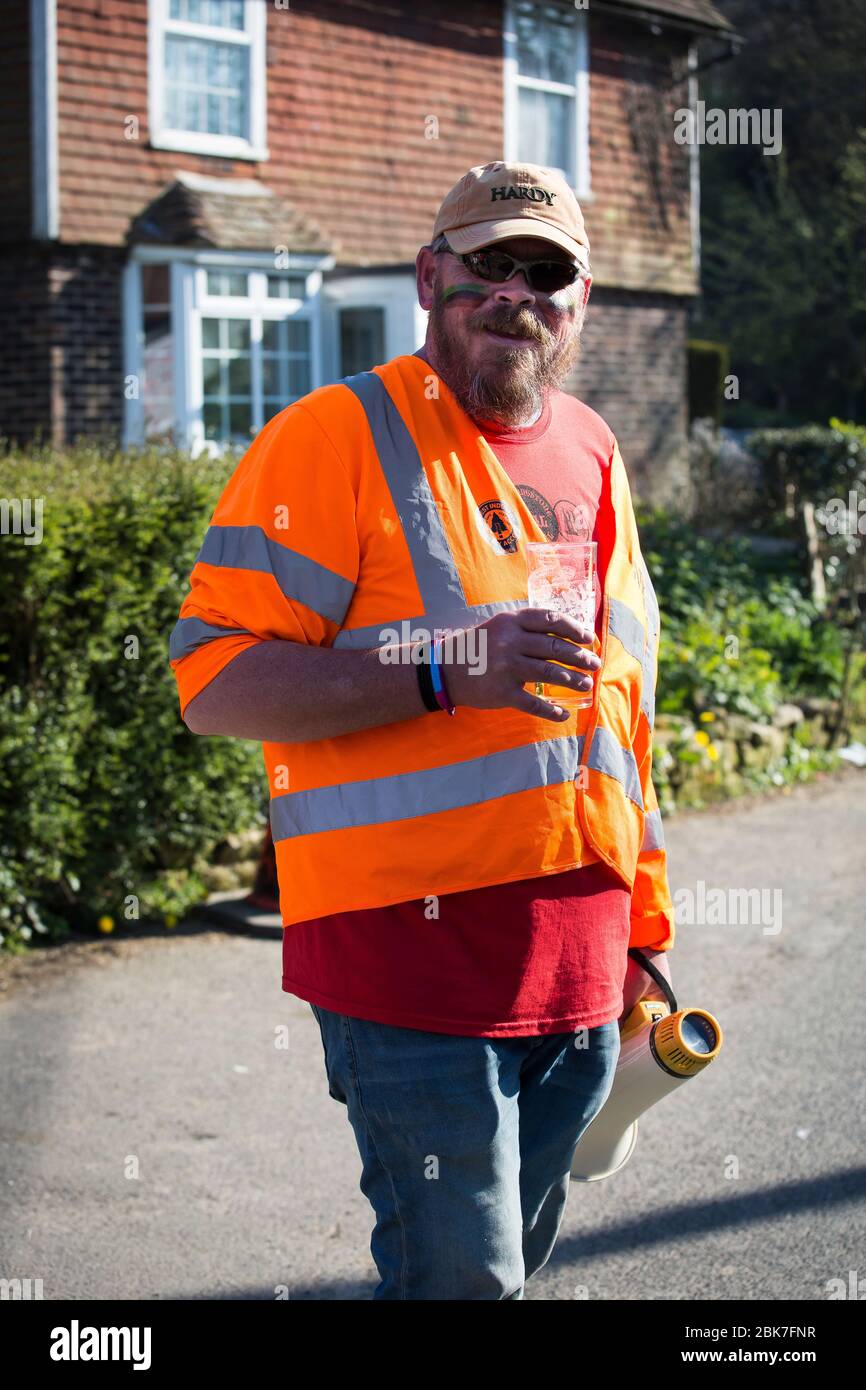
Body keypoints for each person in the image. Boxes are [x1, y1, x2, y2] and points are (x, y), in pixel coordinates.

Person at [170, 161, 675, 1300]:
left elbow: (619, 714)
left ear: (579, 300)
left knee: (498, 1271)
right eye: (486, 264)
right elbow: (214, 682)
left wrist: (641, 924)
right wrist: (445, 669)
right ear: (428, 277)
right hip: (408, 968)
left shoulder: (593, 449)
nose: (515, 292)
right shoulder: (332, 437)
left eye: (544, 271)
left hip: (582, 963)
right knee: (464, 1283)